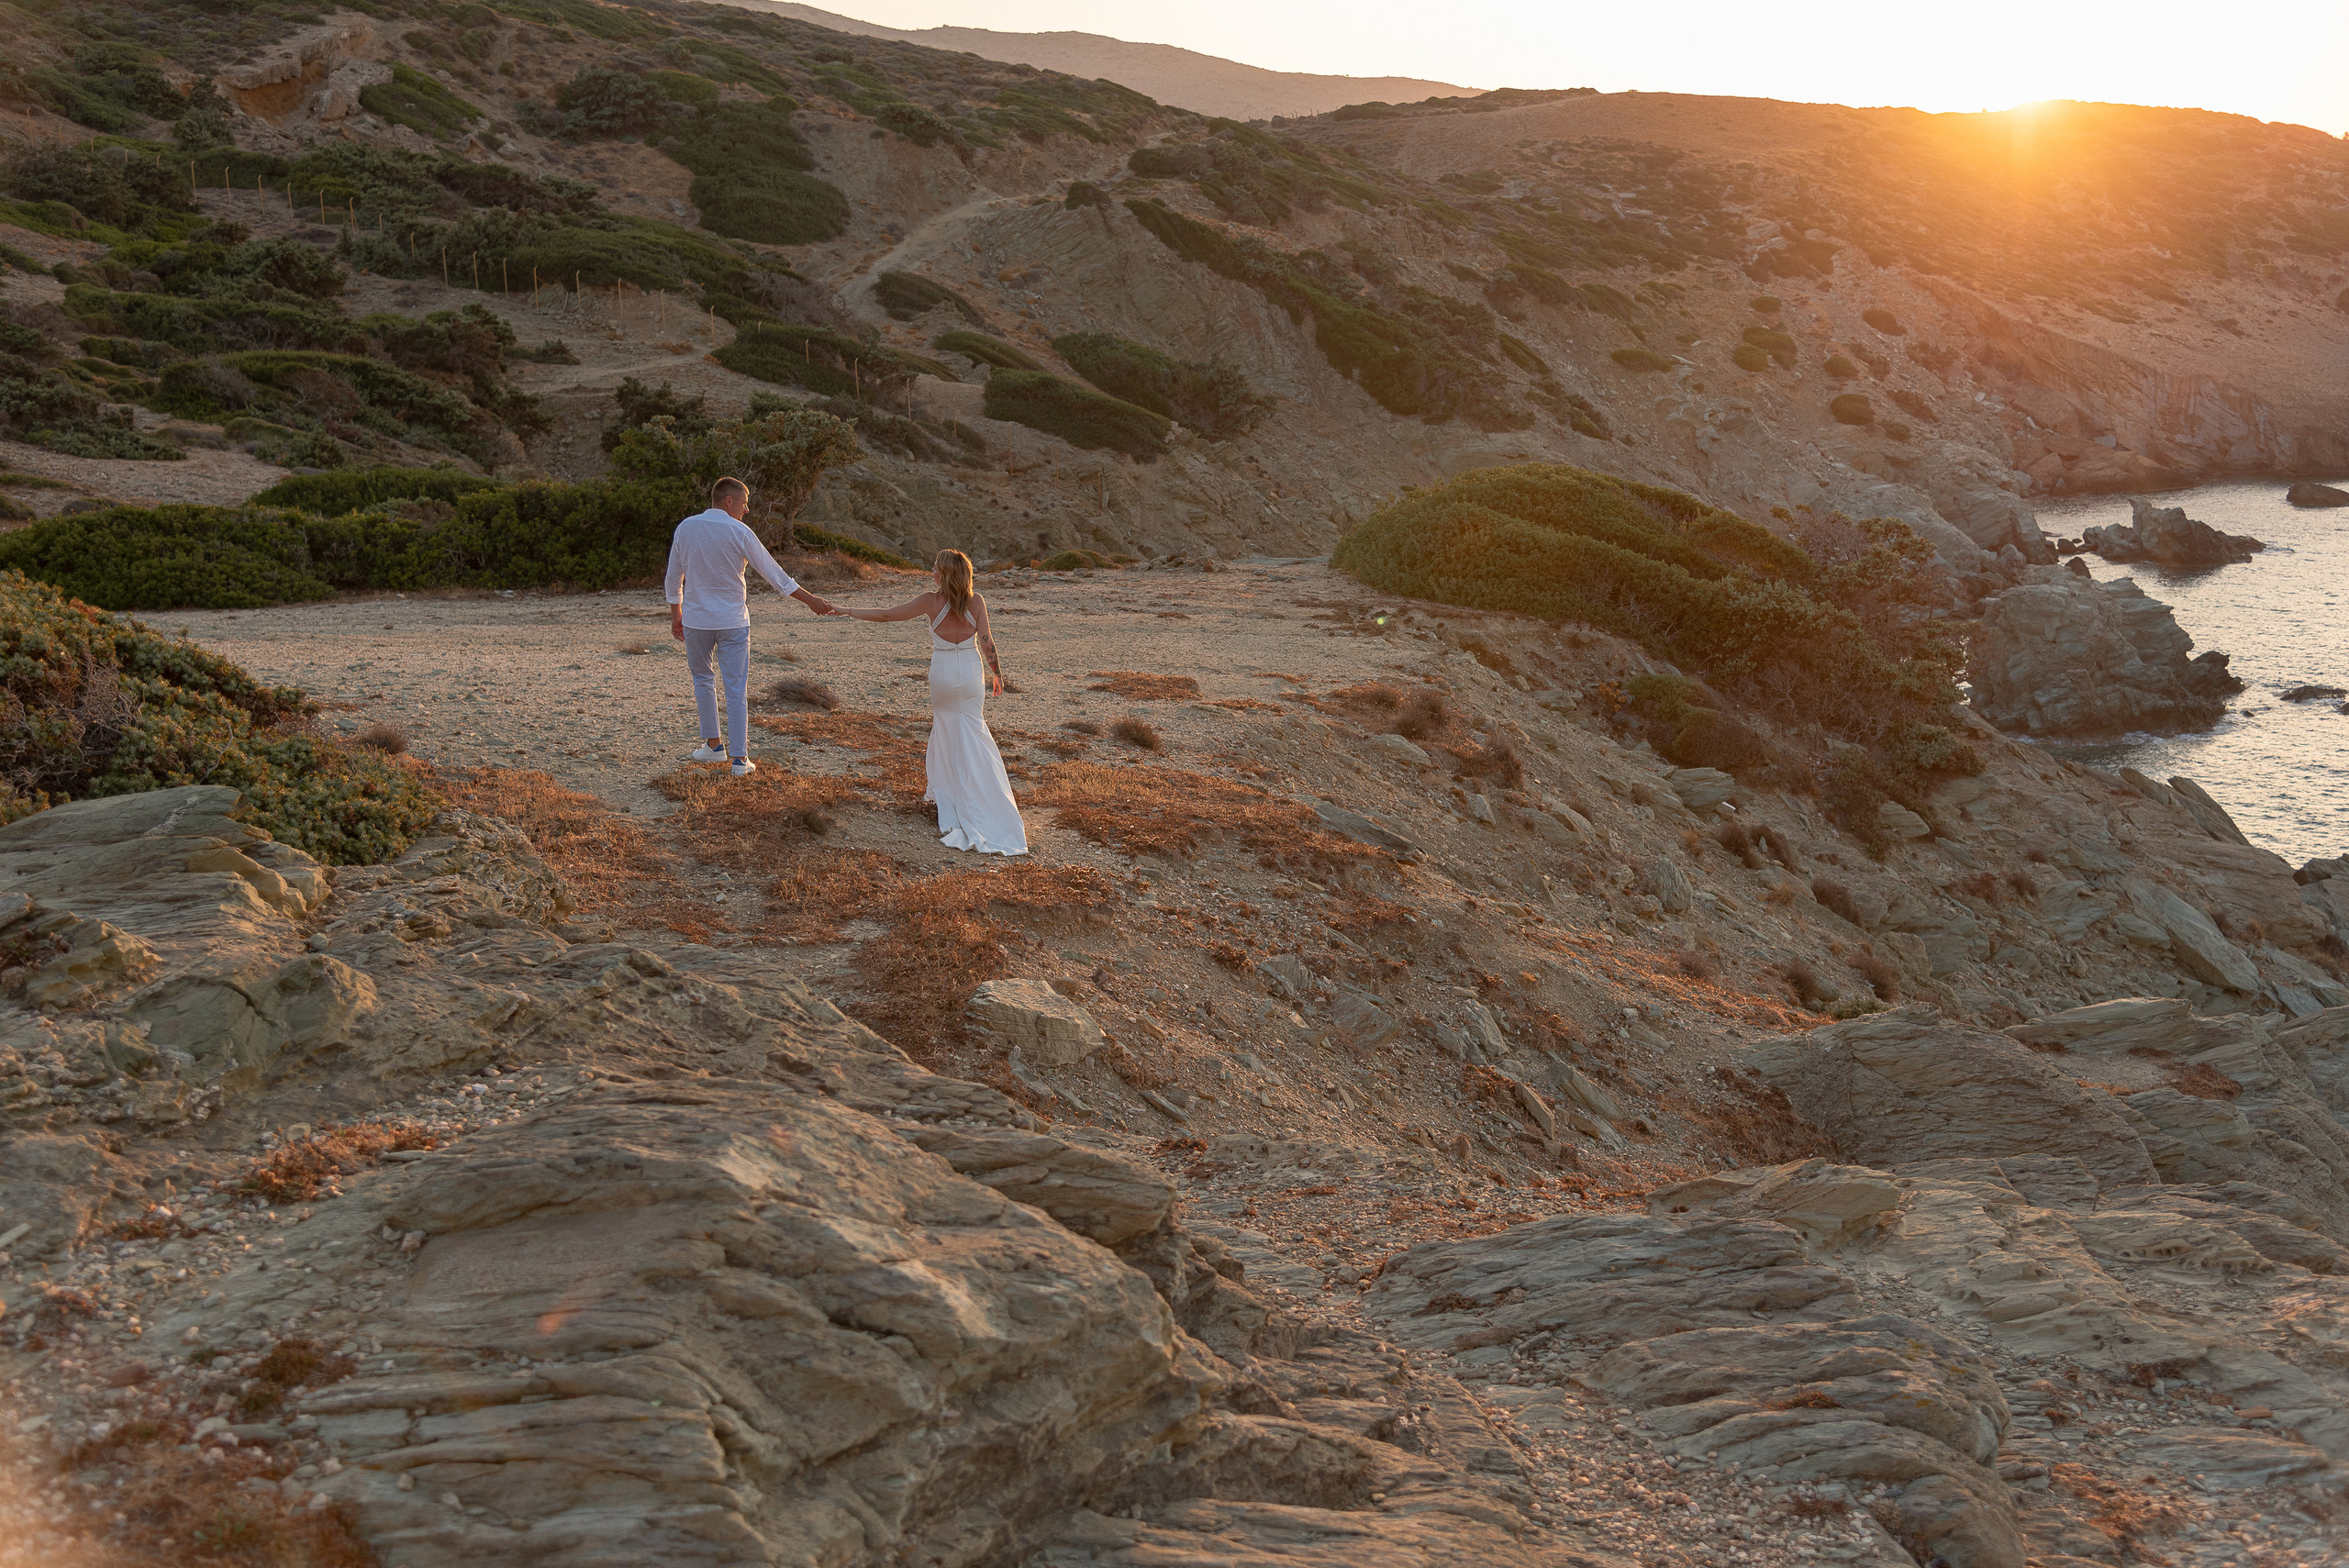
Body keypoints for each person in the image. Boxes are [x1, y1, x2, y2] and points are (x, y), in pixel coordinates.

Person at [835, 550, 1028, 855]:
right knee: (973, 730)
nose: (932, 572)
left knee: (946, 729)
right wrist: (997, 674)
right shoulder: (976, 602)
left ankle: (951, 798)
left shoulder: (930, 601)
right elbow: (987, 642)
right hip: (970, 672)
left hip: (943, 674)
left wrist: (846, 610)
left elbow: (886, 615)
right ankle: (985, 795)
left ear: (946, 574)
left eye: (935, 568)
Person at [665, 476, 834, 776]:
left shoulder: (686, 528)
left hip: (696, 621)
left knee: (703, 680)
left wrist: (675, 613)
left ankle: (714, 747)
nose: (747, 510)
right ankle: (740, 760)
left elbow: (673, 575)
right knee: (735, 688)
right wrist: (810, 600)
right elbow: (775, 575)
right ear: (728, 500)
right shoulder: (740, 531)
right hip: (732, 622)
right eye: (744, 503)